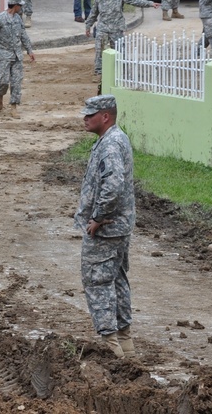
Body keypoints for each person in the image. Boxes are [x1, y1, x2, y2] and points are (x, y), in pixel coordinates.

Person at [74, 94, 136, 359]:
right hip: (119, 227)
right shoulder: (114, 139)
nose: (85, 119)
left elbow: (112, 187)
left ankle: (113, 352)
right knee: (117, 281)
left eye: (90, 115)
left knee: (97, 282)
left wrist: (98, 218)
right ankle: (127, 347)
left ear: (105, 116)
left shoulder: (110, 145)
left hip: (106, 229)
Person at [85, 0, 160, 76]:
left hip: (116, 28)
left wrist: (150, 3)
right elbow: (93, 13)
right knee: (100, 50)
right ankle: (99, 73)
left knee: (119, 51)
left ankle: (121, 72)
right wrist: (88, 26)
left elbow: (135, 1)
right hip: (103, 28)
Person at [0, 0, 36, 117]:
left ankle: (13, 106)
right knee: (3, 81)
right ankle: (0, 95)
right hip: (3, 55)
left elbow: (23, 35)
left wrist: (29, 50)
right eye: (19, 5)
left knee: (16, 82)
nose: (21, 7)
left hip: (16, 56)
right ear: (15, 6)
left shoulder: (18, 19)